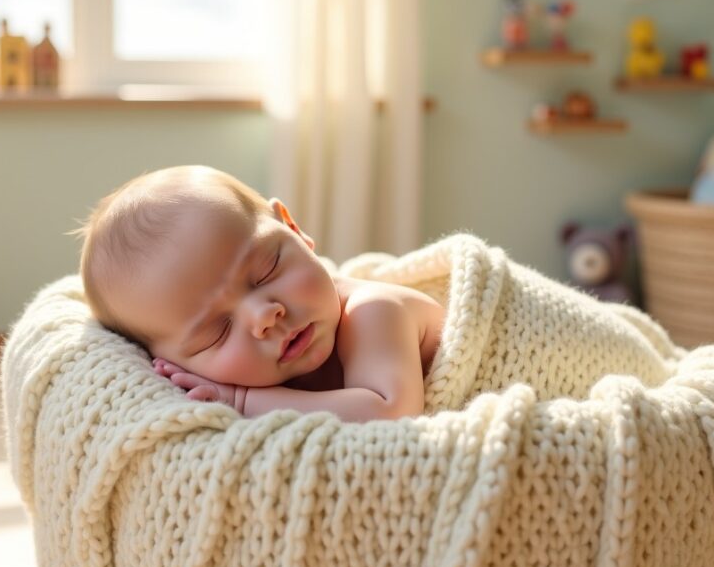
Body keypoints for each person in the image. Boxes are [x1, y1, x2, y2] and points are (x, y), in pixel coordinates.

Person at [76, 165, 444, 423]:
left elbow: (389, 412)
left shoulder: (374, 311)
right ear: (175, 364)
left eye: (267, 270)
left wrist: (241, 401)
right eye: (217, 332)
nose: (265, 315)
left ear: (293, 229)